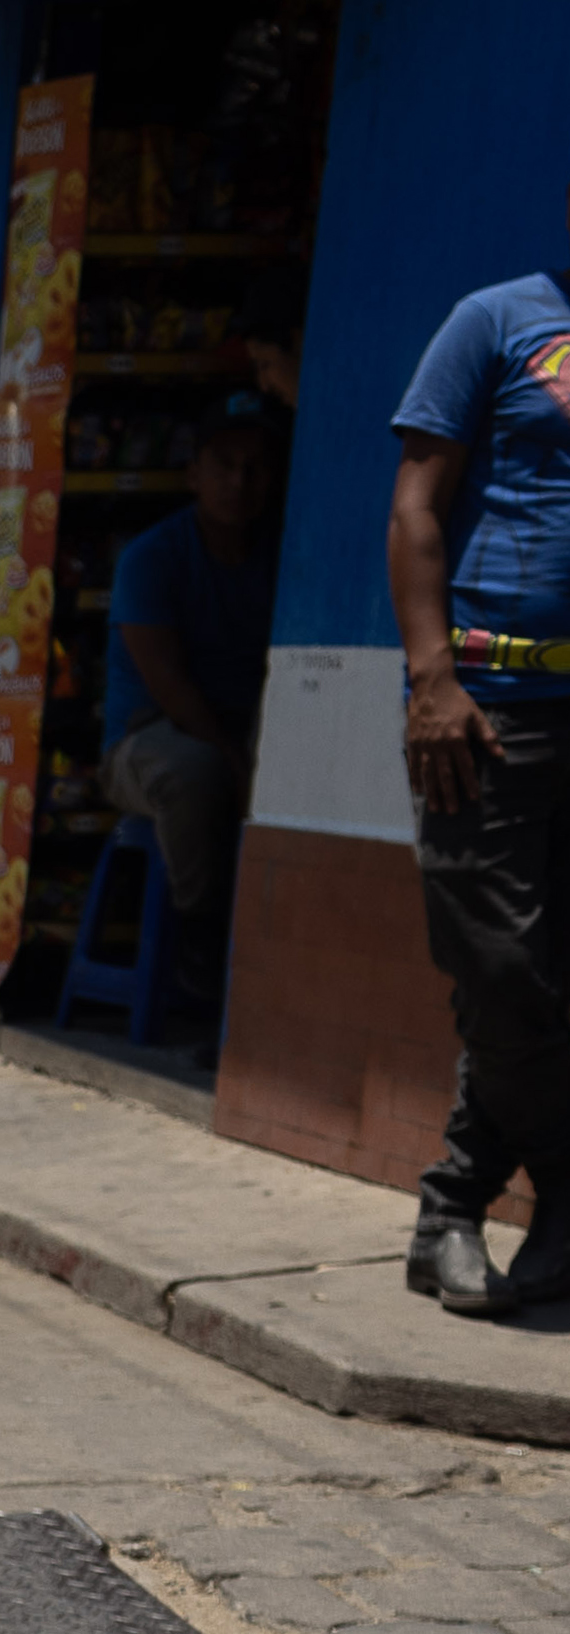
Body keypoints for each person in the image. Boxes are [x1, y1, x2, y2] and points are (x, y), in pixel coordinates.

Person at [390, 214, 570, 1317]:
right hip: (488, 703)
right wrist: (431, 681)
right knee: (500, 967)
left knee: (551, 977)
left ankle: (449, 1210)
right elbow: (415, 503)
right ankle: (564, 1193)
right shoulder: (494, 320)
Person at [98, 397, 280, 995]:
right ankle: (199, 939)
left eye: (254, 467)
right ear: (193, 473)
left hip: (246, 726)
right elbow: (169, 685)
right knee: (196, 772)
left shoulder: (279, 555)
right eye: (223, 465)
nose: (239, 481)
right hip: (149, 739)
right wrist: (232, 758)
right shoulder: (153, 557)